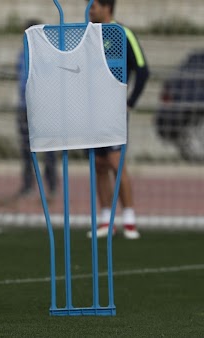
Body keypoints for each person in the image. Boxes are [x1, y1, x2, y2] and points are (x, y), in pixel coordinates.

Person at [87, 0, 149, 240]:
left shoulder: (122, 33)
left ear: (107, 8)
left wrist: (130, 101)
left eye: (93, 6)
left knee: (116, 162)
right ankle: (106, 219)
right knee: (99, 165)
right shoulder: (88, 36)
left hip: (114, 112)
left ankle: (130, 219)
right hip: (92, 111)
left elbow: (142, 69)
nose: (90, 10)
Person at [15, 19, 58, 200]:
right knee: (26, 150)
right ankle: (28, 186)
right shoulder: (21, 55)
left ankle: (52, 186)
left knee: (49, 149)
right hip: (25, 108)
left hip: (44, 108)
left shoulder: (48, 55)